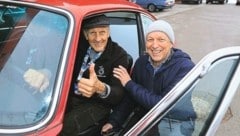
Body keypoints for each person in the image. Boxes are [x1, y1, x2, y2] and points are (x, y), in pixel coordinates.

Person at [101, 20, 196, 136]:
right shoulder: (141, 63)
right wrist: (114, 122)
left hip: (174, 120)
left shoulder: (185, 67)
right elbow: (130, 98)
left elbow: (162, 104)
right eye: (150, 39)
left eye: (161, 39)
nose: (155, 45)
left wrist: (129, 84)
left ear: (172, 43)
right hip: (146, 117)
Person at [60, 14, 130, 136]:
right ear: (86, 35)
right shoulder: (77, 46)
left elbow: (118, 93)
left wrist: (100, 88)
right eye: (93, 33)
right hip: (69, 94)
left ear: (108, 33)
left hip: (98, 104)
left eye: (102, 32)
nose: (98, 38)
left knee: (62, 128)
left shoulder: (119, 56)